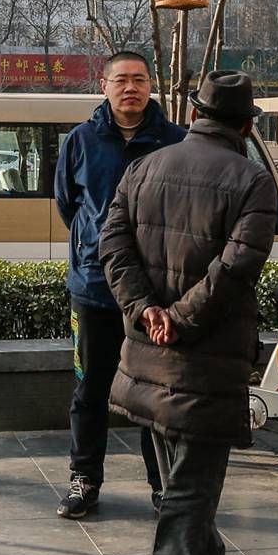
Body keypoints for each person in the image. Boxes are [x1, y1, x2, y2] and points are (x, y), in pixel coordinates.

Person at [100, 71, 278, 555]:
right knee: (191, 481)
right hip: (205, 354)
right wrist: (179, 318)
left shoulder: (143, 168)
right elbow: (237, 267)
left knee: (177, 469)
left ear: (195, 113)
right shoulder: (251, 180)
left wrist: (144, 310)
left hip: (147, 353)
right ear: (246, 125)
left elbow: (112, 244)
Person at [52, 51, 185, 518]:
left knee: (155, 394)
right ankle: (84, 479)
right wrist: (98, 249)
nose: (131, 88)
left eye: (140, 80)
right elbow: (70, 207)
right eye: (121, 80)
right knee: (90, 388)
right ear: (104, 87)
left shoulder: (176, 142)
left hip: (156, 294)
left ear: (152, 86)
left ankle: (163, 486)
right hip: (93, 288)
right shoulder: (80, 141)